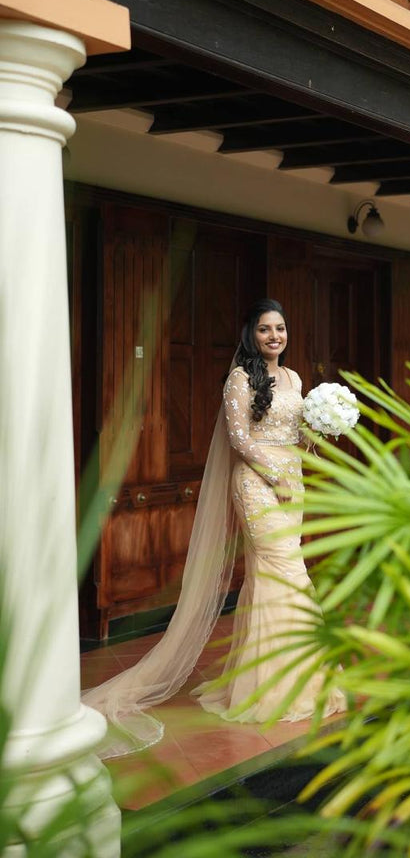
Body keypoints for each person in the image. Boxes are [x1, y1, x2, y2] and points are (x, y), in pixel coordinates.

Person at [83, 299, 345, 757]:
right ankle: (284, 685)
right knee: (285, 570)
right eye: (265, 329)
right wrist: (275, 474)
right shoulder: (241, 379)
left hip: (293, 482)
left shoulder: (295, 378)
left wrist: (322, 427)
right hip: (257, 483)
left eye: (280, 328)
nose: (274, 336)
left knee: (275, 574)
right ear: (251, 335)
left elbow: (297, 435)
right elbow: (239, 438)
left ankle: (272, 679)